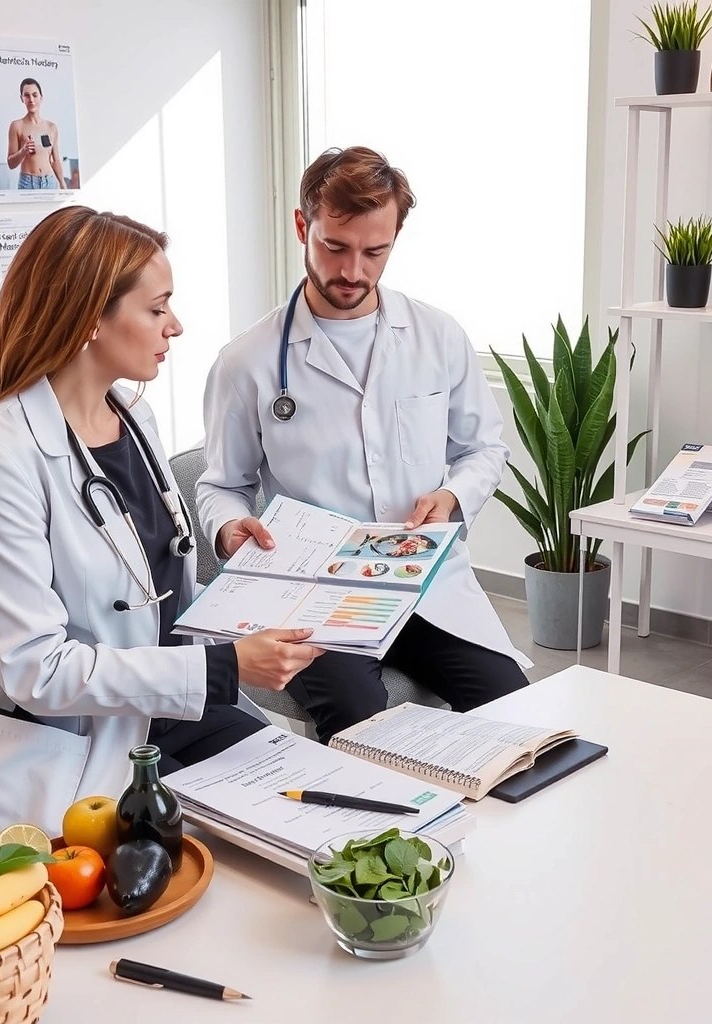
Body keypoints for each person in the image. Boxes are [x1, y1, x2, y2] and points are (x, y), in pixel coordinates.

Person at [0, 206, 322, 853]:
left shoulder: (132, 417)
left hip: (161, 713)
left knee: (319, 821)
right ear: (89, 320)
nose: (177, 326)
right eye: (157, 308)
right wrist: (222, 668)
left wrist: (259, 599)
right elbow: (39, 671)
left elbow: (153, 592)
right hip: (53, 753)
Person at [197, 146, 532, 744]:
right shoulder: (245, 362)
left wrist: (452, 497)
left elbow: (484, 448)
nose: (352, 270)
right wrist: (229, 528)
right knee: (361, 725)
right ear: (304, 226)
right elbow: (222, 484)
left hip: (424, 581)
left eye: (374, 252)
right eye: (335, 246)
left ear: (396, 237)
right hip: (314, 598)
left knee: (515, 715)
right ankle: (368, 837)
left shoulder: (438, 336)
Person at [6, 78, 66, 190]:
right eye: (27, 96)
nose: (31, 100)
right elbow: (11, 164)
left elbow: (55, 160)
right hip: (27, 183)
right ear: (22, 99)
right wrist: (23, 151)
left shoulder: (51, 127)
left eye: (34, 95)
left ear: (41, 98)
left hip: (50, 182)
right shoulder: (16, 126)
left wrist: (62, 184)